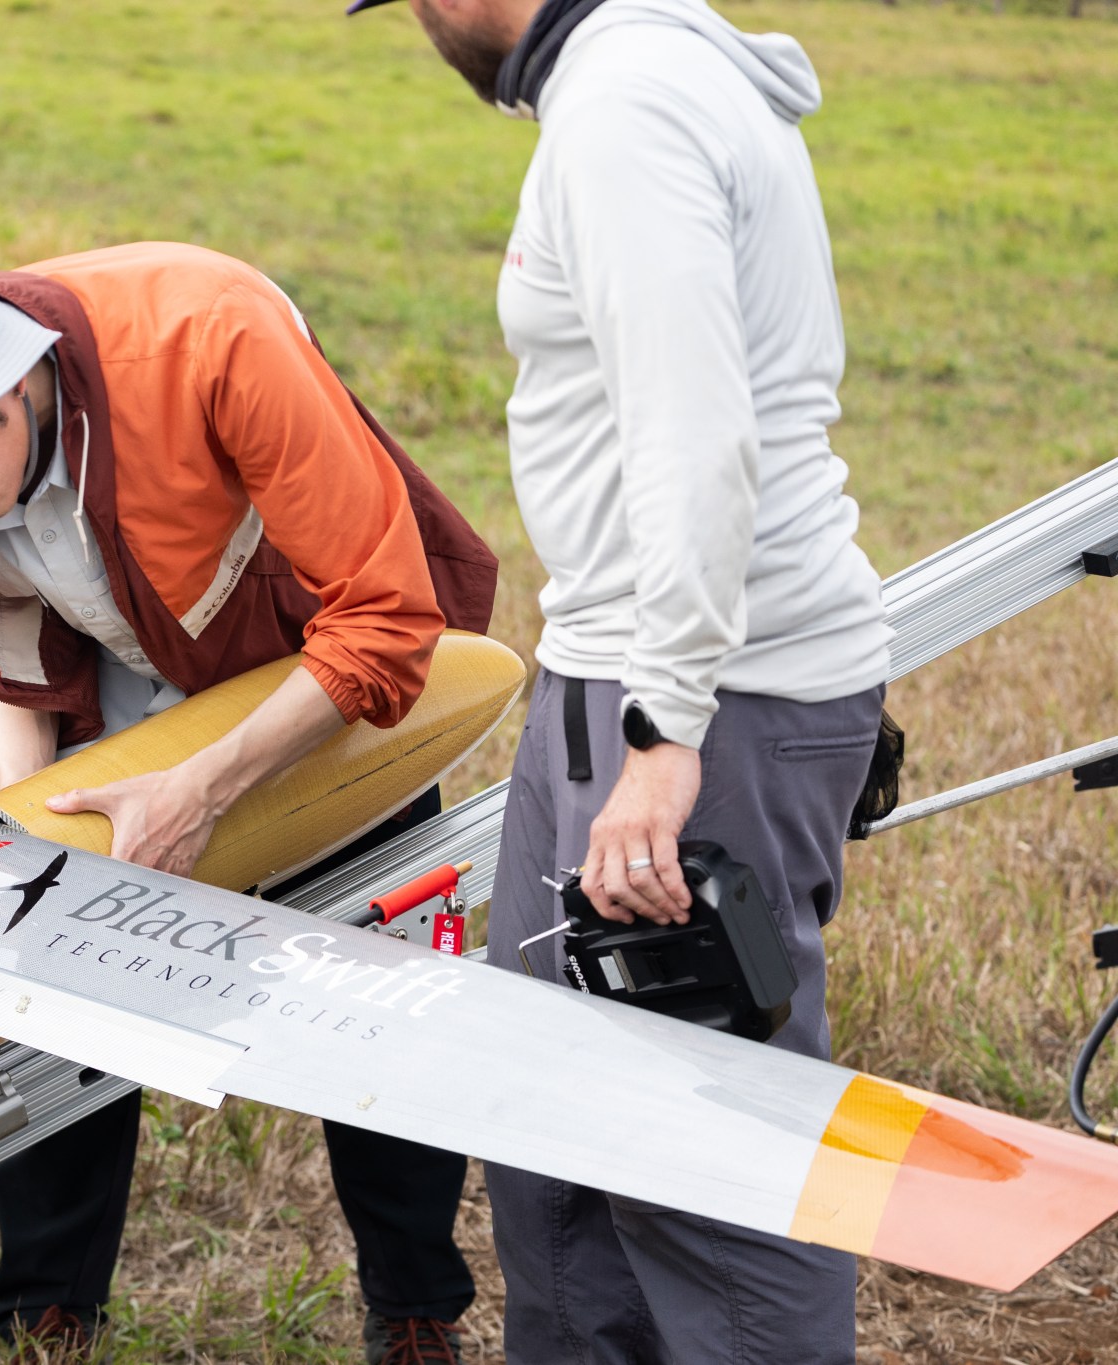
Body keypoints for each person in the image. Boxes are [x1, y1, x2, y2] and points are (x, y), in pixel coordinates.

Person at [0, 242, 503, 1365]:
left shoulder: (213, 338)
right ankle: (47, 1322)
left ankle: (412, 1311)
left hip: (309, 685)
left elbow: (382, 622)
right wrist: (28, 828)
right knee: (50, 993)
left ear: (2, 392)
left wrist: (200, 789)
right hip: (114, 706)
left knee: (371, 995)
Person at [353, 0, 893, 1358]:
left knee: (706, 1160)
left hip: (694, 697)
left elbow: (696, 435)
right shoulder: (629, 81)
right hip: (626, 676)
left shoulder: (628, 104)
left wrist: (664, 736)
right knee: (554, 1131)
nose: (424, 23)